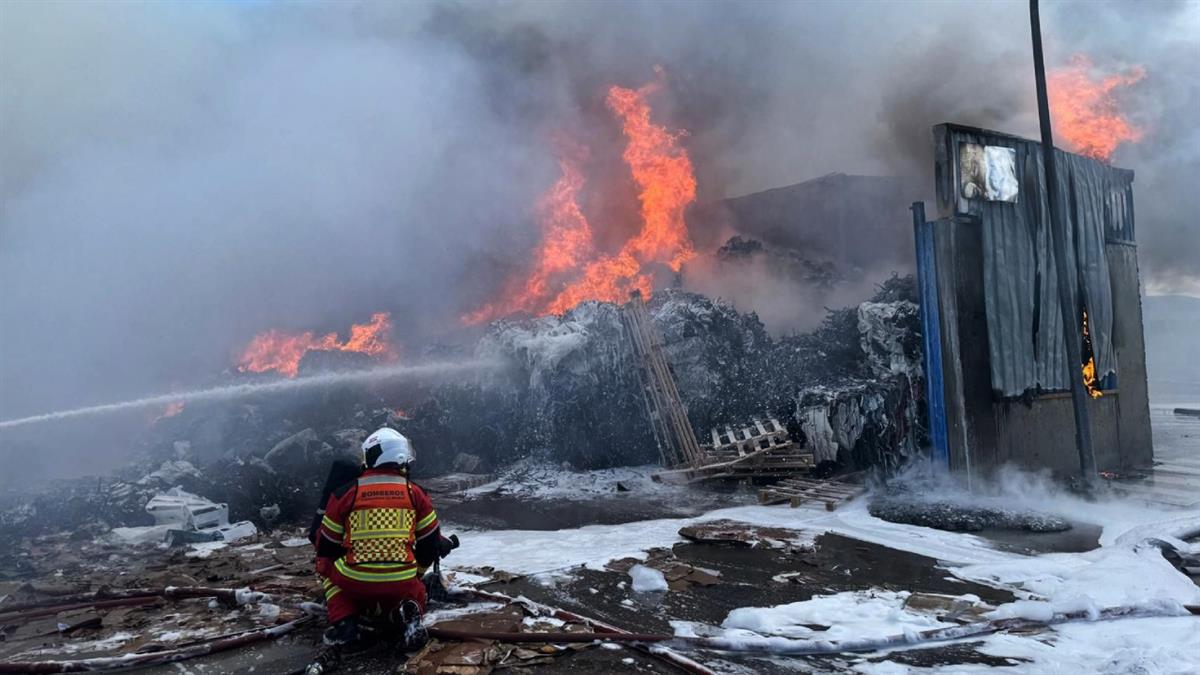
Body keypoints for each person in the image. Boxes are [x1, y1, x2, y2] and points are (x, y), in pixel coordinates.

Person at [312, 428, 446, 649]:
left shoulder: (345, 493)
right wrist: (417, 574)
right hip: (401, 578)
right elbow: (430, 543)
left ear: (371, 456)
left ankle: (345, 625)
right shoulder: (415, 493)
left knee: (330, 575)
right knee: (414, 589)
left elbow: (326, 544)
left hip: (355, 579)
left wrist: (330, 566)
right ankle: (407, 611)